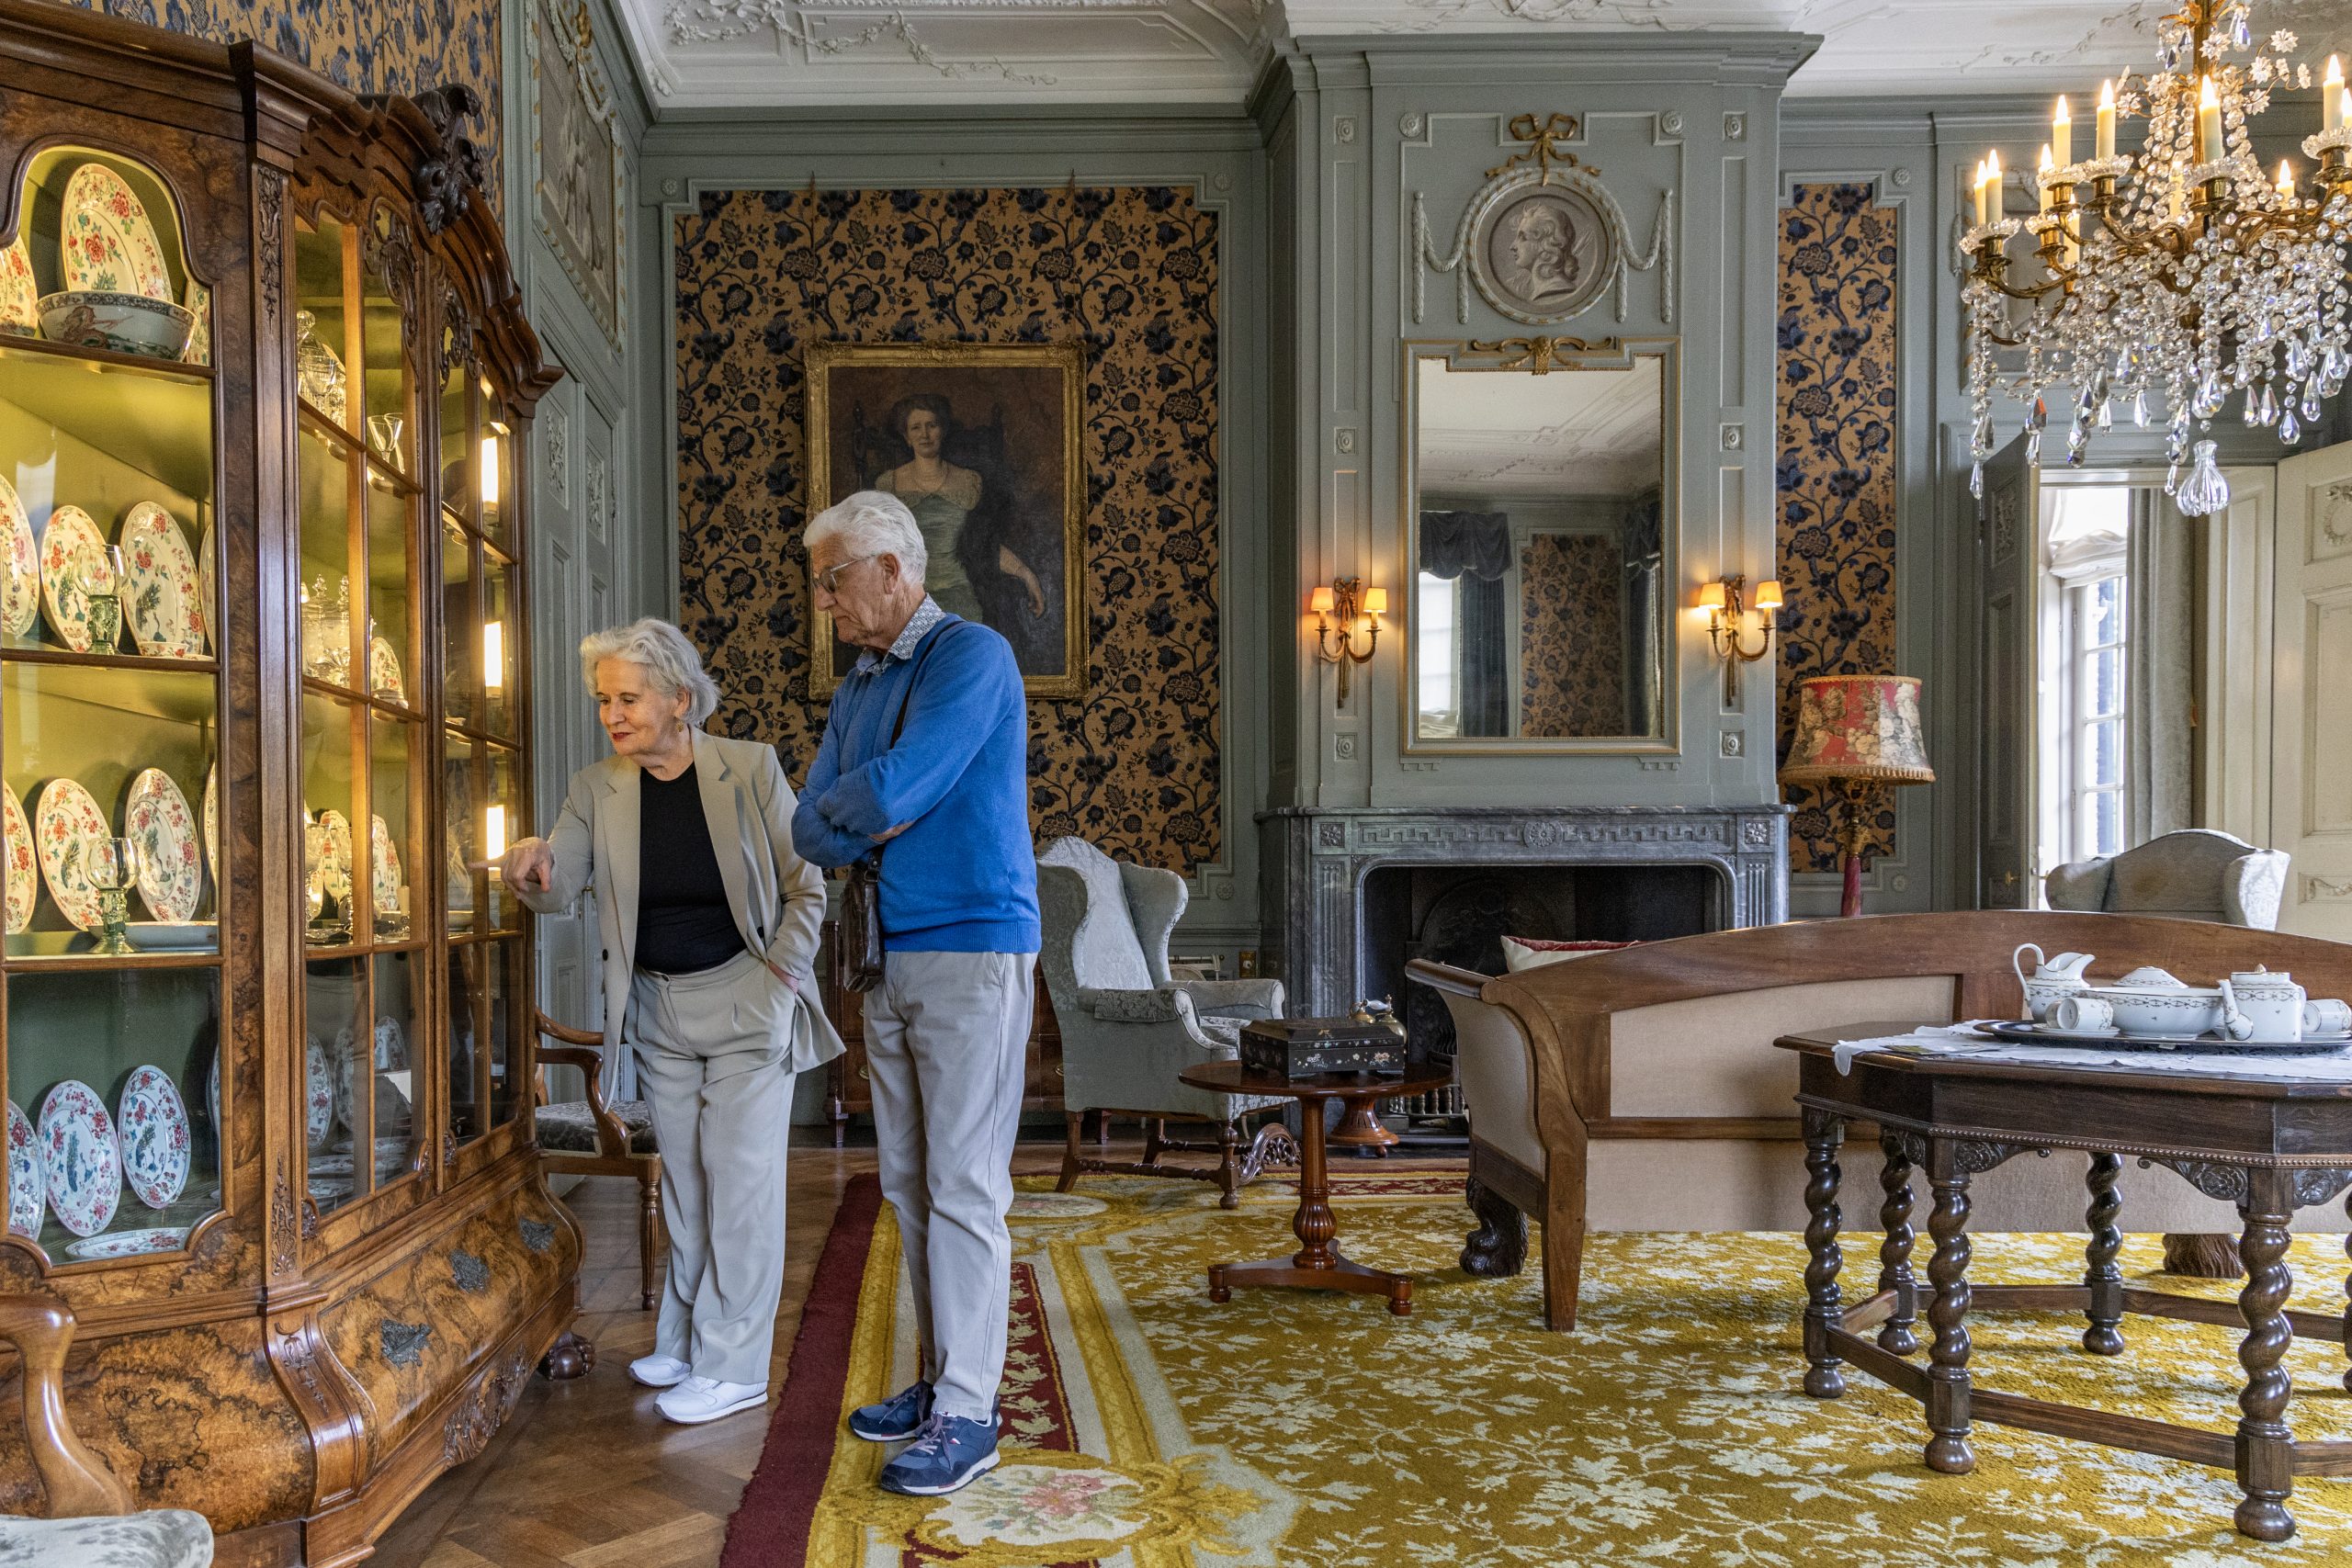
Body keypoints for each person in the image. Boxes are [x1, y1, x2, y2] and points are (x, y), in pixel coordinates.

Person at [501, 617, 841, 1426]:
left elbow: (809, 886)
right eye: (602, 700)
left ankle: (735, 1365)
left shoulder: (749, 769)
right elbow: (560, 882)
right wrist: (531, 863)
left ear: (679, 699)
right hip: (656, 1008)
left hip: (745, 998)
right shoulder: (597, 788)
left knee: (741, 1186)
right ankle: (685, 1340)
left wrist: (781, 978)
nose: (611, 714)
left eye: (627, 697)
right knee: (688, 1183)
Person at [793, 490, 1037, 1497]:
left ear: (892, 570)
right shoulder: (857, 684)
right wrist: (869, 814)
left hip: (972, 945)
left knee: (965, 1183)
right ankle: (942, 1381)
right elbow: (811, 824)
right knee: (907, 1182)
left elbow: (899, 787)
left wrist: (875, 807)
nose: (824, 602)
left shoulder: (971, 655)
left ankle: (971, 1414)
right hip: (886, 954)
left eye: (833, 580)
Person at [873, 392, 1047, 626]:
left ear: (942, 431)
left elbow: (983, 546)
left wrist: (1027, 574)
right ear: (906, 436)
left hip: (959, 597)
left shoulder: (968, 482)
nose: (924, 434)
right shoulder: (889, 484)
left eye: (932, 425)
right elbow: (876, 549)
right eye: (916, 428)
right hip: (908, 599)